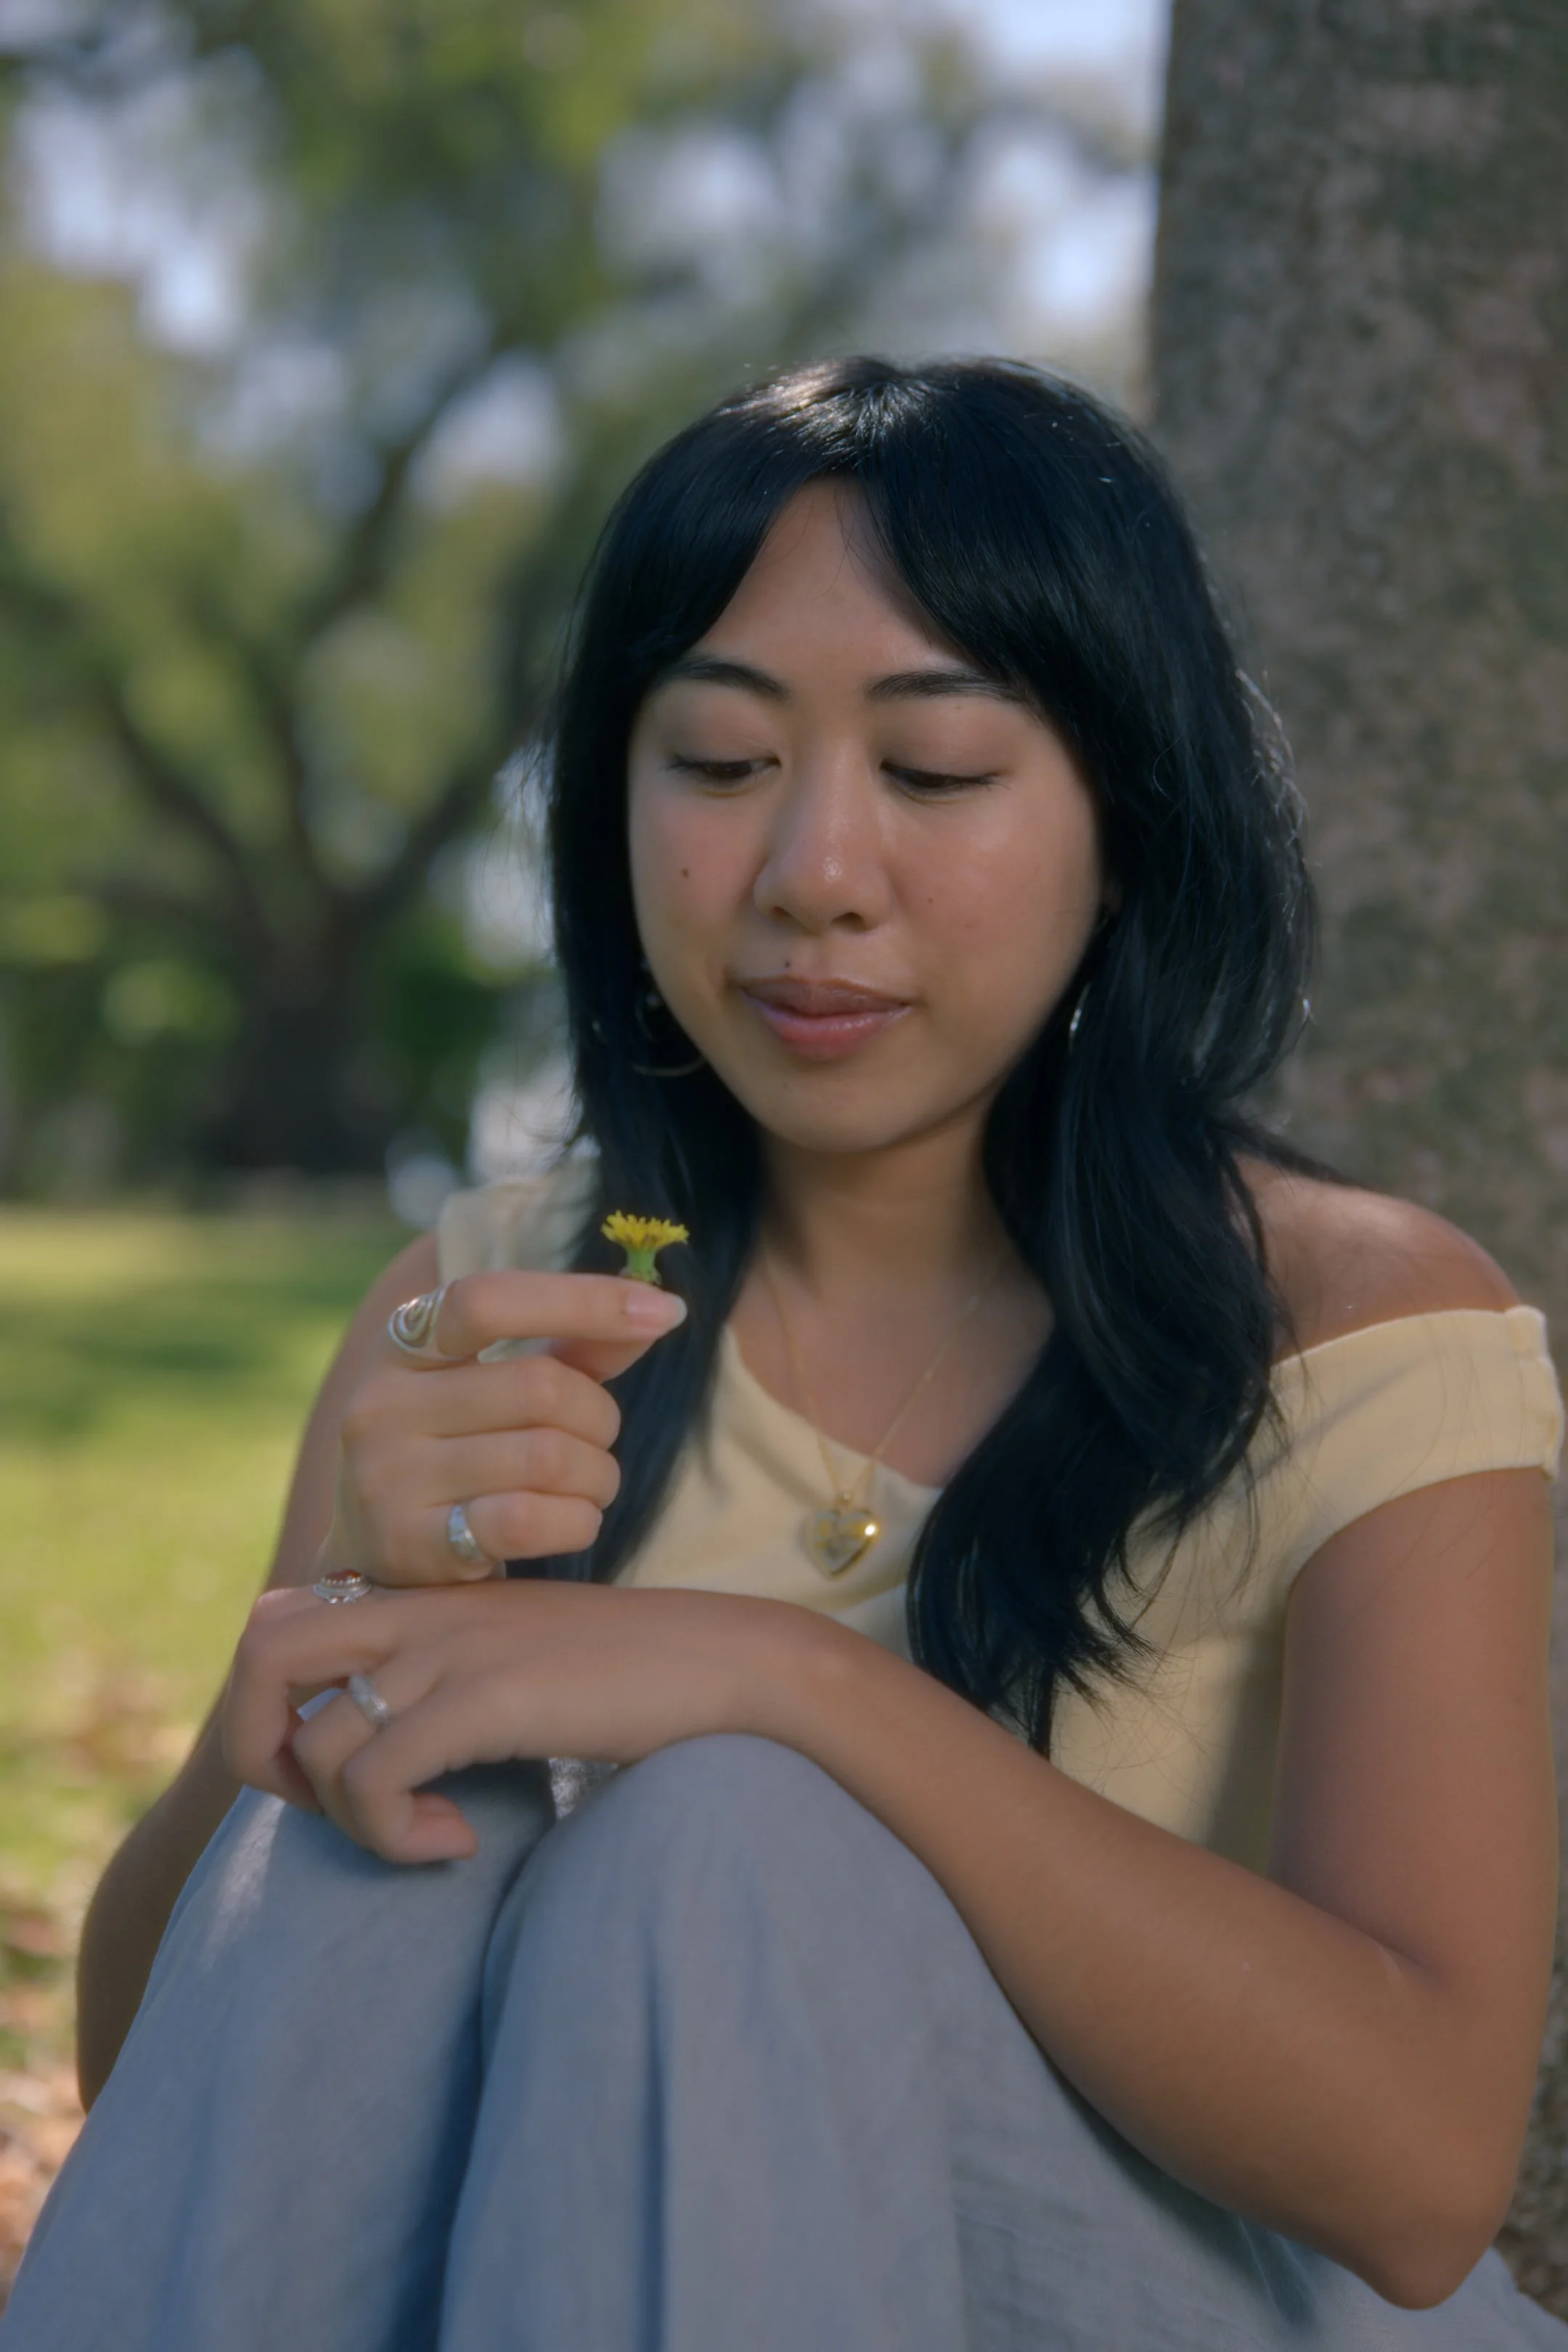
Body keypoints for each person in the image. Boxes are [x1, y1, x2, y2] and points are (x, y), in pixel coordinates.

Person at [5, 357, 1564, 2351]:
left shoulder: (1358, 1331)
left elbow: (1423, 2177)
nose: (814, 873)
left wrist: (784, 1687)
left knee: (719, 1841)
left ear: (1125, 817)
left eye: (935, 774)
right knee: (425, 1801)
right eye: (724, 763)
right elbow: (190, 2113)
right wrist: (319, 1647)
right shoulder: (485, 1311)